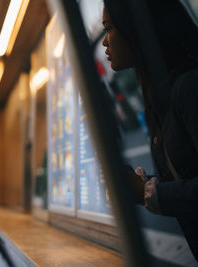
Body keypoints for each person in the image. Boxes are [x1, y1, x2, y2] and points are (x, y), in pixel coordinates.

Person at [102, 0, 198, 261]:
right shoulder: (161, 94)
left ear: (136, 26)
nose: (104, 42)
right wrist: (144, 185)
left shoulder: (188, 87)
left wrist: (150, 194)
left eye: (109, 28)